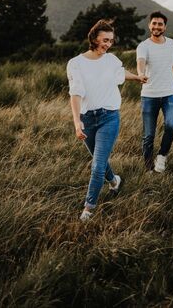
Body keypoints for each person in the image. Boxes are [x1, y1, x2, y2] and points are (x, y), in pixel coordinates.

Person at [67, 19, 147, 221]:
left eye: (111, 41)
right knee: (98, 160)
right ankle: (114, 181)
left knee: (97, 165)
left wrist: (137, 77)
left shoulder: (111, 60)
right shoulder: (75, 63)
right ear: (94, 38)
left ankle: (88, 209)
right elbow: (75, 94)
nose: (108, 44)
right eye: (105, 40)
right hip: (87, 119)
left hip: (109, 117)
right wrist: (77, 122)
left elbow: (120, 73)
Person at [136, 11, 173, 173]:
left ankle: (162, 156)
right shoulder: (143, 46)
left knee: (170, 126)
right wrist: (141, 74)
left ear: (165, 27)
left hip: (170, 93)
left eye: (160, 24)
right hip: (149, 95)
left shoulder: (172, 44)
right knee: (148, 135)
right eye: (154, 23)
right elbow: (141, 62)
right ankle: (149, 168)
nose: (157, 26)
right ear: (150, 25)